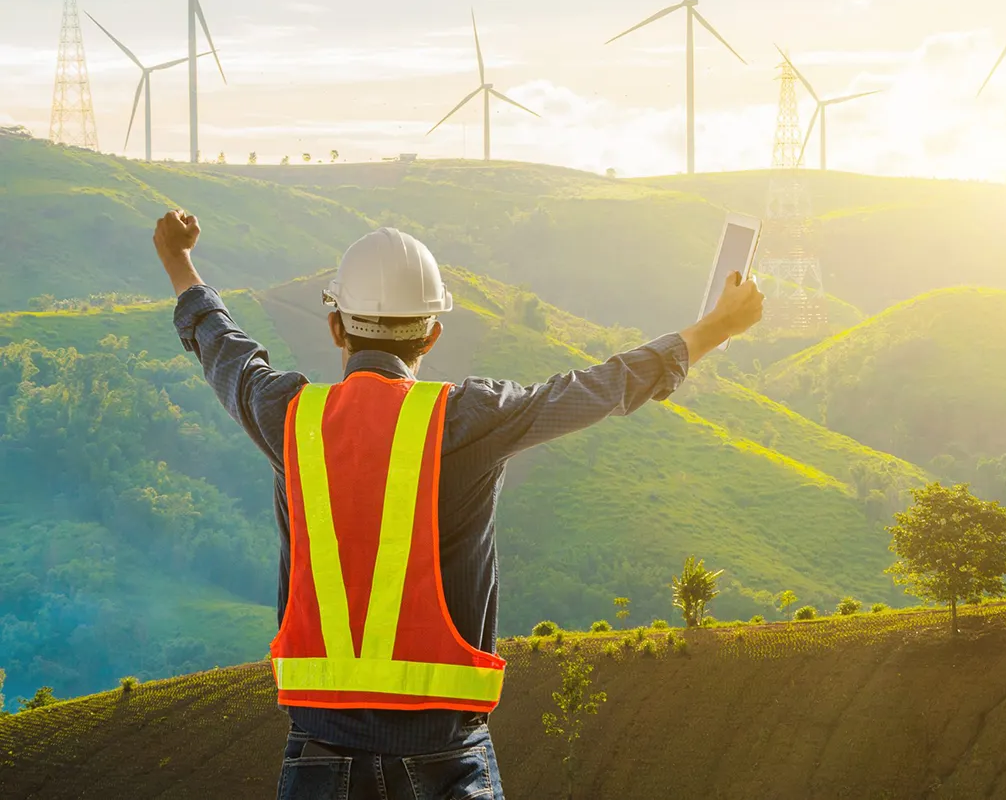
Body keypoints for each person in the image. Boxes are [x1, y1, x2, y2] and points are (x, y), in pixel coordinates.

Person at [153, 209, 763, 800]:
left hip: (319, 751)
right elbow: (603, 386)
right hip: (444, 759)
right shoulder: (469, 419)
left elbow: (223, 347)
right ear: (434, 331)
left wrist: (180, 262)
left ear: (336, 327)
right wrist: (716, 327)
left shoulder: (289, 416)